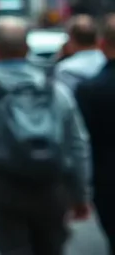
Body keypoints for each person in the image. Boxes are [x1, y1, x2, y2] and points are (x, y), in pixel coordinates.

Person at [0, 17, 91, 255]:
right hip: (51, 185)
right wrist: (80, 193)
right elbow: (77, 144)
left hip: (3, 184)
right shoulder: (55, 89)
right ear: (27, 50)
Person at [74, 13, 115, 244]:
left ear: (101, 45)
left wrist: (79, 191)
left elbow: (81, 143)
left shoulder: (89, 90)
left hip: (108, 181)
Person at [54, 14, 106, 92]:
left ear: (71, 39)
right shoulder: (107, 63)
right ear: (97, 39)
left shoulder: (65, 70)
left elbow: (65, 100)